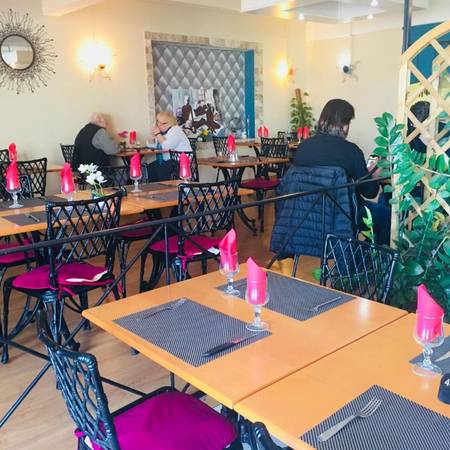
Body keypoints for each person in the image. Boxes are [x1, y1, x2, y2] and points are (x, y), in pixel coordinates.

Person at [293, 99, 390, 244]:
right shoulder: (351, 151)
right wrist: (373, 175)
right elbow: (370, 192)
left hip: (306, 217)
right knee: (388, 218)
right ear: (344, 125)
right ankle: (367, 255)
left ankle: (360, 253)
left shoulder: (303, 148)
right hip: (344, 217)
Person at [148, 111, 192, 181]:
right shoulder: (164, 132)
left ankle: (164, 187)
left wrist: (158, 134)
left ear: (170, 123)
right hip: (169, 160)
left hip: (181, 161)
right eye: (158, 122)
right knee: (150, 167)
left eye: (162, 123)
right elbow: (152, 147)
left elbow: (167, 147)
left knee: (160, 170)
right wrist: (152, 137)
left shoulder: (175, 130)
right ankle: (155, 187)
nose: (159, 125)